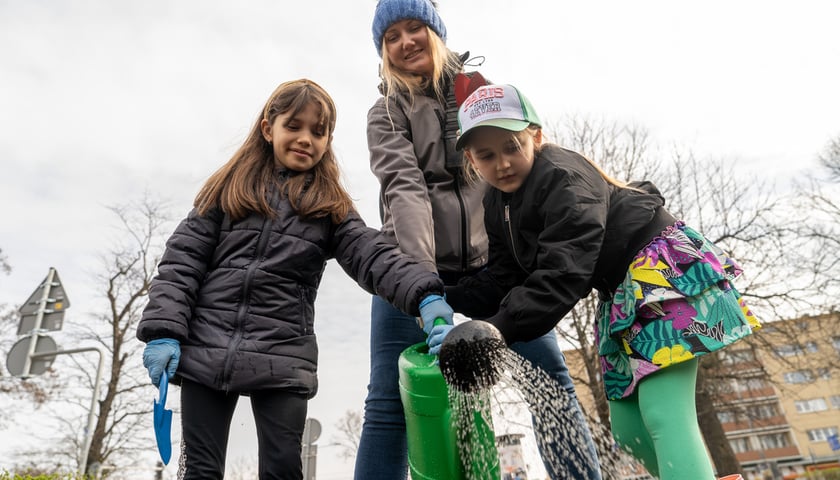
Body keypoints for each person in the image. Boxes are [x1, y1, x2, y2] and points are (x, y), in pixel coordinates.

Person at [432, 83, 762, 480]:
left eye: (512, 146)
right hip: (620, 295)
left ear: (536, 136)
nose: (502, 163)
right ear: (470, 158)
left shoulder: (563, 176)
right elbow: (506, 278)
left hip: (661, 274)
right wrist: (441, 299)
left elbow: (565, 270)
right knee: (629, 433)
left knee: (663, 414)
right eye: (486, 155)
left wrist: (499, 330)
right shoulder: (496, 203)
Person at [135, 78, 456, 480]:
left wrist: (424, 294)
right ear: (269, 129)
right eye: (294, 126)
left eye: (318, 132)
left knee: (284, 468)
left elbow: (374, 255)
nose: (306, 138)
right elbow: (181, 263)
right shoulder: (226, 191)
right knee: (200, 469)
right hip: (207, 347)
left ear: (328, 141)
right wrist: (164, 331)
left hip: (284, 355)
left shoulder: (329, 208)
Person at [356, 1, 601, 479]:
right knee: (389, 400)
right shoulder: (385, 112)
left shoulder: (482, 96)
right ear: (383, 52)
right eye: (392, 37)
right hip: (409, 270)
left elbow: (519, 174)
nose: (406, 41)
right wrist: (422, 287)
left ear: (437, 34)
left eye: (415, 28)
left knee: (549, 382)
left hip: (499, 269)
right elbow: (404, 189)